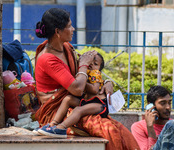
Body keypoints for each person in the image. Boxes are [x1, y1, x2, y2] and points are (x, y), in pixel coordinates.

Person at [34, 8, 140, 150]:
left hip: (77, 104)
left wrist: (107, 82)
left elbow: (89, 73)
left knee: (122, 131)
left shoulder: (66, 47)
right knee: (109, 130)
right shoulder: (47, 58)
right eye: (69, 26)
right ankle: (55, 127)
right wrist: (83, 64)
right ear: (58, 32)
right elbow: (77, 88)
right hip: (57, 112)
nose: (73, 29)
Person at [37, 52, 108, 138]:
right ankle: (53, 123)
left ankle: (61, 128)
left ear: (99, 69)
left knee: (78, 110)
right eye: (90, 61)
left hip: (98, 103)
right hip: (86, 101)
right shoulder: (84, 72)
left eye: (95, 63)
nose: (91, 64)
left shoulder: (95, 74)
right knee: (68, 99)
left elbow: (94, 89)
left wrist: (81, 83)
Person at [131, 85, 173, 150]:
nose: (168, 107)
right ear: (151, 105)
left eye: (169, 103)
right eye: (163, 103)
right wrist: (150, 127)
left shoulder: (171, 126)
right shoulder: (138, 127)